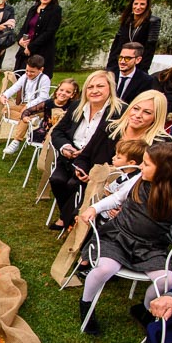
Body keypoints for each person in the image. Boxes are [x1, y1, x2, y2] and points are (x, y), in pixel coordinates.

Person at [76, 143, 172, 334]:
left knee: (166, 280)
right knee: (105, 269)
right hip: (118, 236)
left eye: (147, 164)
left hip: (150, 247)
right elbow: (117, 198)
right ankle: (86, 305)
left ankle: (146, 309)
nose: (141, 166)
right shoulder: (139, 180)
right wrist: (94, 208)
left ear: (166, 171)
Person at [48, 71, 123, 229]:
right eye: (90, 87)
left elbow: (114, 145)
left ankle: (68, 219)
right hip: (69, 156)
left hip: (95, 162)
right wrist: (65, 147)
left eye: (100, 86)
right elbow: (58, 131)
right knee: (56, 180)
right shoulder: (77, 107)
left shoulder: (118, 112)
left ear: (110, 88)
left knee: (73, 184)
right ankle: (67, 215)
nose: (94, 90)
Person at [0, 54, 51, 155]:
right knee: (5, 110)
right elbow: (15, 87)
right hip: (24, 105)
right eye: (27, 70)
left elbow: (43, 97)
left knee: (25, 115)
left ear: (41, 70)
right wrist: (4, 95)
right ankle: (29, 120)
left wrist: (28, 106)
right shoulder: (24, 77)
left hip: (38, 108)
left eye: (32, 72)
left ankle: (16, 140)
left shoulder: (44, 79)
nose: (28, 73)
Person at [14, 0, 62, 77]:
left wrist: (31, 47)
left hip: (42, 52)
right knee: (20, 78)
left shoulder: (56, 10)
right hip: (25, 51)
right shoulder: (33, 9)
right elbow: (24, 28)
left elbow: (49, 33)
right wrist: (20, 40)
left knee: (37, 81)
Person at [106, 0, 161, 72]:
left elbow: (150, 48)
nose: (138, 7)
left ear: (147, 6)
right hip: (120, 61)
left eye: (142, 4)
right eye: (136, 4)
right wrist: (110, 66)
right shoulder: (126, 19)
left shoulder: (153, 21)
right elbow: (117, 43)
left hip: (137, 64)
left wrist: (143, 70)